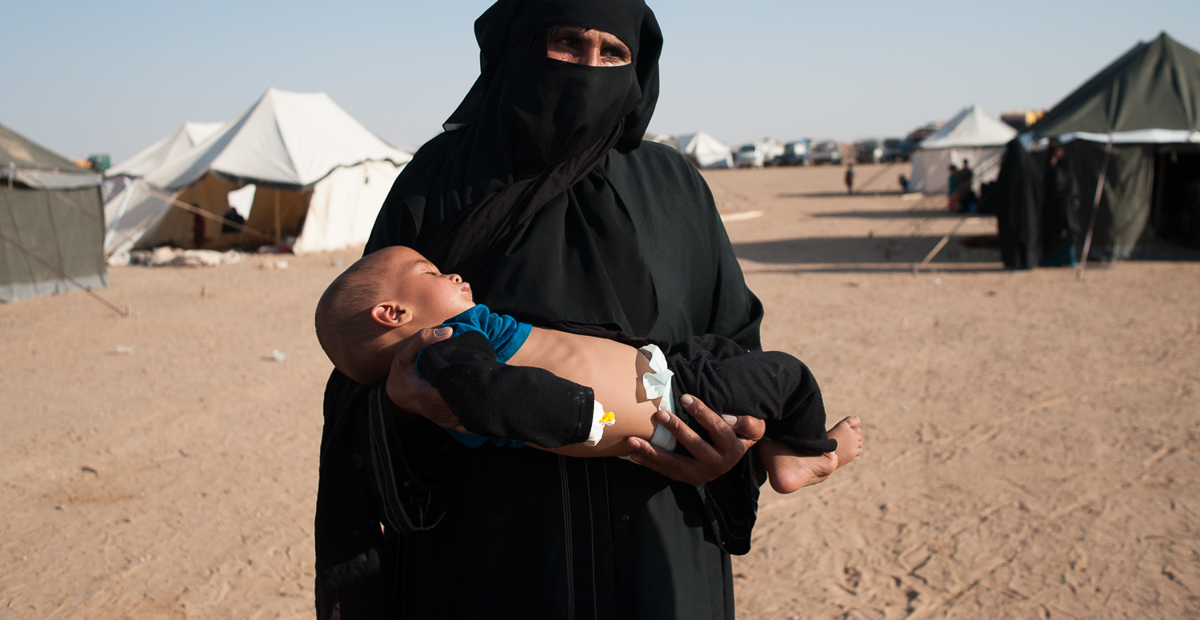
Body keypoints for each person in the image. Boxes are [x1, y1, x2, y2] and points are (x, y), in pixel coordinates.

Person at [316, 0, 784, 619]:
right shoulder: (438, 183)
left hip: (658, 547)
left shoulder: (672, 188)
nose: (588, 64)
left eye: (613, 51)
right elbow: (362, 356)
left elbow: (733, 341)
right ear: (519, 45)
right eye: (567, 41)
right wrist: (400, 401)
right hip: (490, 557)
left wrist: (728, 452)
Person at [315, 245, 862, 494]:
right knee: (787, 374)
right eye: (430, 271)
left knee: (729, 350)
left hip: (670, 382)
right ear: (393, 313)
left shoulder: (456, 343)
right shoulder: (444, 350)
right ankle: (808, 454)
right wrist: (574, 413)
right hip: (668, 403)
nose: (452, 273)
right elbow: (491, 395)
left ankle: (777, 445)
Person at [995, 138, 1042, 269]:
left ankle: (1013, 262)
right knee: (1027, 236)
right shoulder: (1030, 164)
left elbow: (1000, 190)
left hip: (1010, 212)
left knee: (1012, 237)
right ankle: (1028, 262)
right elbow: (1038, 187)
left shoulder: (1007, 167)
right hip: (1028, 212)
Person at [1039, 140, 1080, 267]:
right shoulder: (1050, 166)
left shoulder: (1065, 166)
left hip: (1064, 210)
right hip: (1053, 211)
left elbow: (1062, 185)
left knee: (1064, 236)